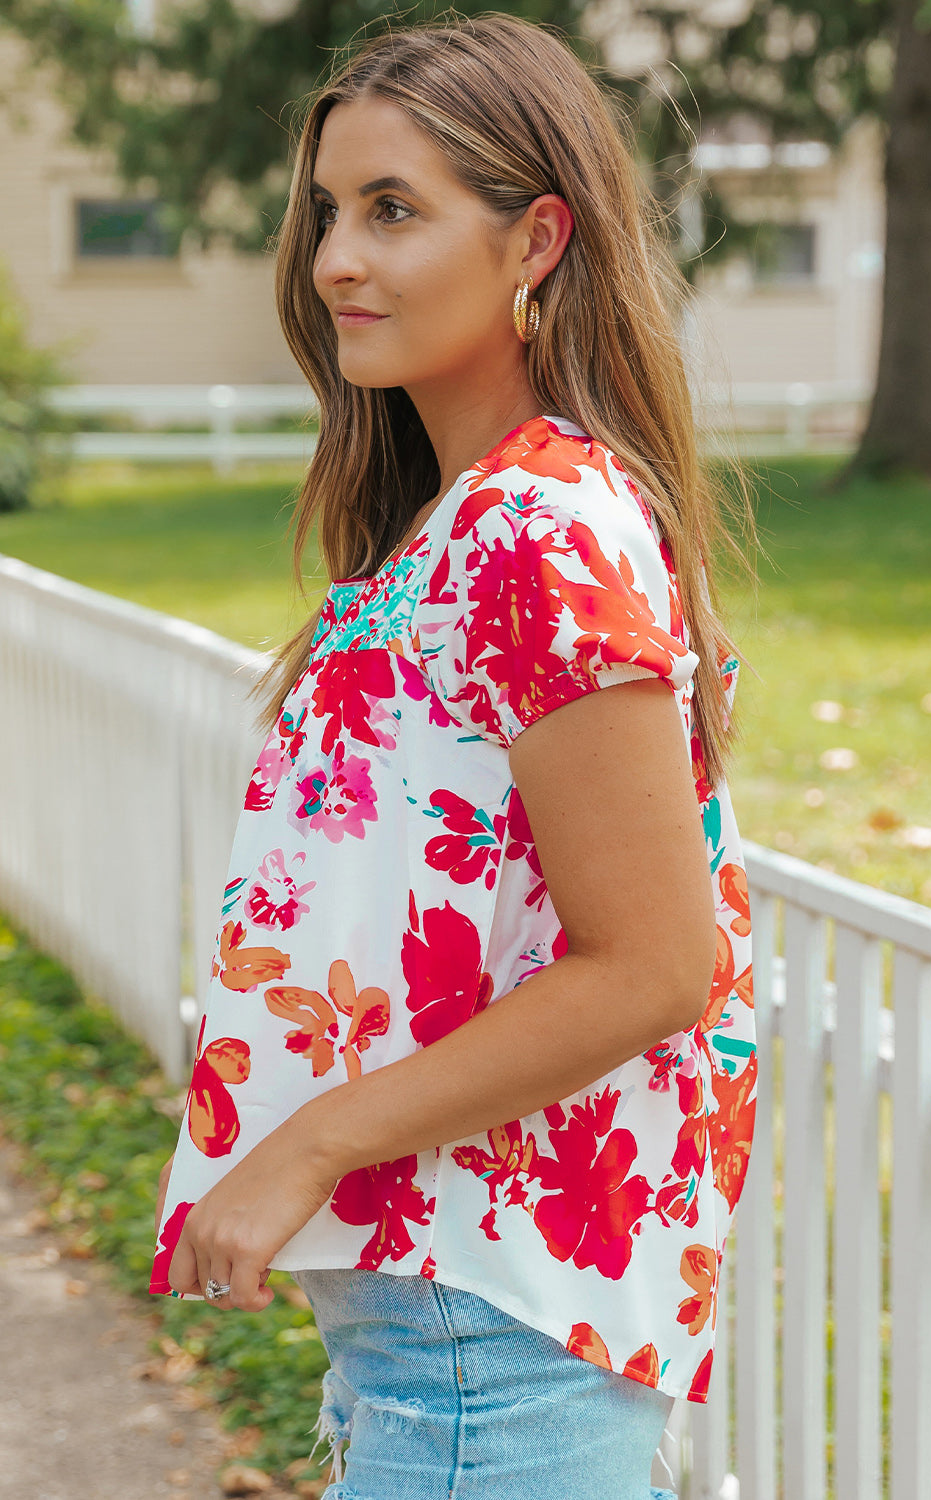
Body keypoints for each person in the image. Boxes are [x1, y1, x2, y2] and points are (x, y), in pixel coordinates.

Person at [150, 12, 757, 1499]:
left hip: (489, 1348)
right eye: (326, 214)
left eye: (393, 211)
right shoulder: (465, 520)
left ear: (535, 239)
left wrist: (307, 1147)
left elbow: (649, 964)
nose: (333, 260)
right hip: (448, 1334)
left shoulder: (540, 531)